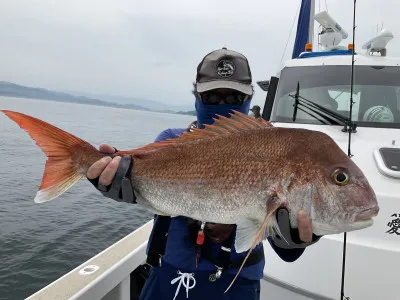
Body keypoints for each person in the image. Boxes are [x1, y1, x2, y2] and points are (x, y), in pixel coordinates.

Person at [86, 47, 321, 300]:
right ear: (196, 97)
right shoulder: (172, 140)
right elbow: (147, 189)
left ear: (249, 99)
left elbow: (287, 252)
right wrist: (120, 183)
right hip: (169, 275)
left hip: (236, 284)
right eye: (211, 96)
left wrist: (294, 238)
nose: (222, 105)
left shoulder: (273, 148)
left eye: (233, 98)